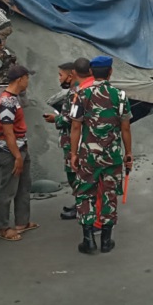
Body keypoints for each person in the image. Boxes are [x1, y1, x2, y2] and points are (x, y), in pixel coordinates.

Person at [70, 56, 133, 254]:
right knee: (109, 194)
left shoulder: (80, 94)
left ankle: (88, 241)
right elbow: (125, 128)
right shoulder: (120, 96)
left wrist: (73, 154)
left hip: (88, 156)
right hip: (112, 155)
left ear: (91, 73)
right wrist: (128, 153)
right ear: (110, 72)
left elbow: (75, 126)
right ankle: (106, 240)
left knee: (85, 194)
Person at [43, 60, 95, 220]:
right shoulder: (76, 91)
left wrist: (56, 119)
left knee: (75, 176)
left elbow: (73, 119)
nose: (59, 78)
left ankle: (83, 208)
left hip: (75, 142)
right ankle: (81, 204)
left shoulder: (76, 93)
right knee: (76, 176)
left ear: (71, 75)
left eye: (61, 75)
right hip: (73, 140)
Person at [0, 64, 38, 241]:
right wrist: (17, 156)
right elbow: (8, 132)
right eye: (27, 77)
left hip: (20, 148)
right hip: (11, 152)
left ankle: (22, 222)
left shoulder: (14, 98)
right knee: (8, 190)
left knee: (23, 187)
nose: (28, 81)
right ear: (20, 79)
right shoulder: (6, 102)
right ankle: (3, 227)